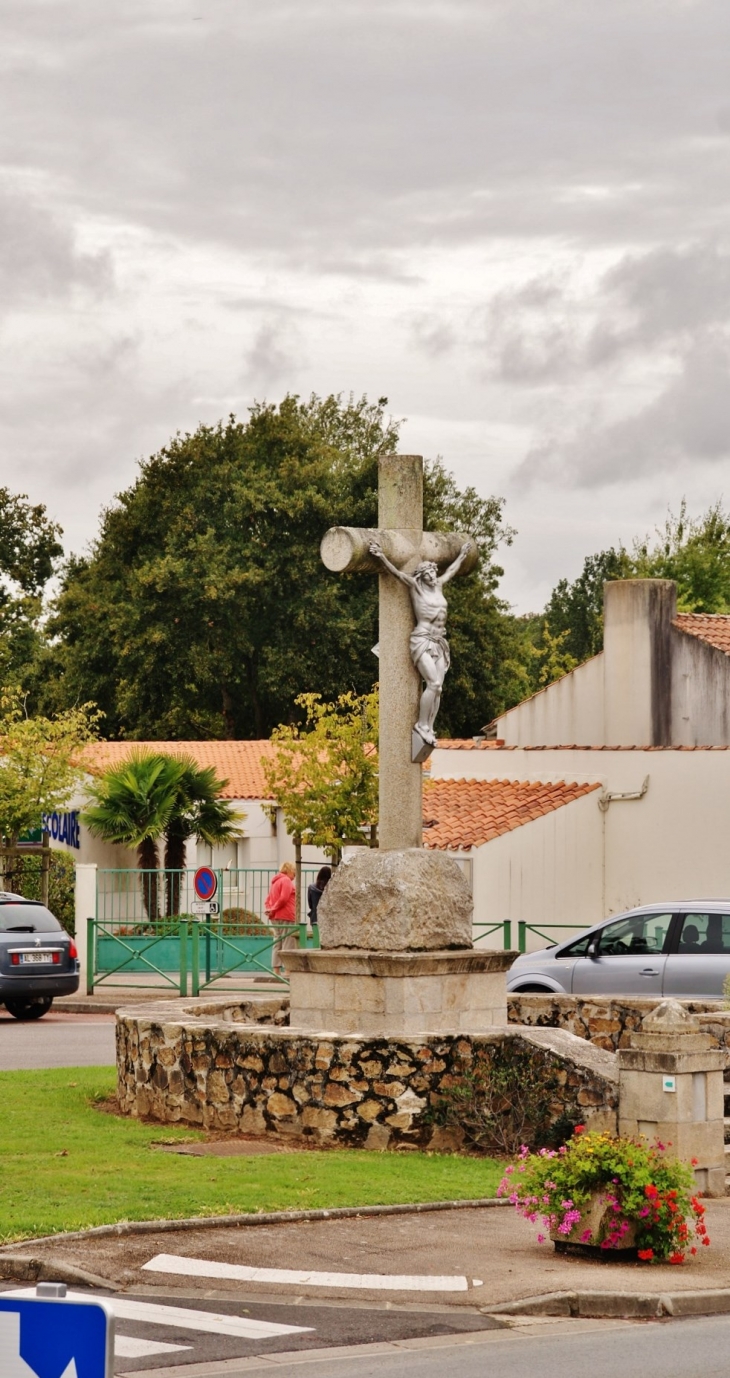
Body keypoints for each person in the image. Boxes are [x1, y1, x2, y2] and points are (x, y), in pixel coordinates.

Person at [368, 537, 473, 747]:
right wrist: (381, 556)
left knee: (439, 688)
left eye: (433, 572)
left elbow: (451, 570)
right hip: (422, 640)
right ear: (421, 577)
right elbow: (397, 574)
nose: (433, 577)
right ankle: (421, 725)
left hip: (440, 641)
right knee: (433, 683)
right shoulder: (416, 587)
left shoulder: (440, 585)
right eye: (428, 574)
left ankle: (429, 727)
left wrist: (462, 555)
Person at [264, 861, 297, 975]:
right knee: (288, 941)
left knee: (277, 941)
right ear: (289, 871)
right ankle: (288, 970)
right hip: (286, 915)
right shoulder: (286, 880)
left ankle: (276, 970)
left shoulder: (275, 882)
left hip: (275, 917)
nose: (295, 875)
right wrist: (274, 908)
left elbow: (267, 899)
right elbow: (284, 898)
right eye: (294, 872)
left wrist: (270, 909)